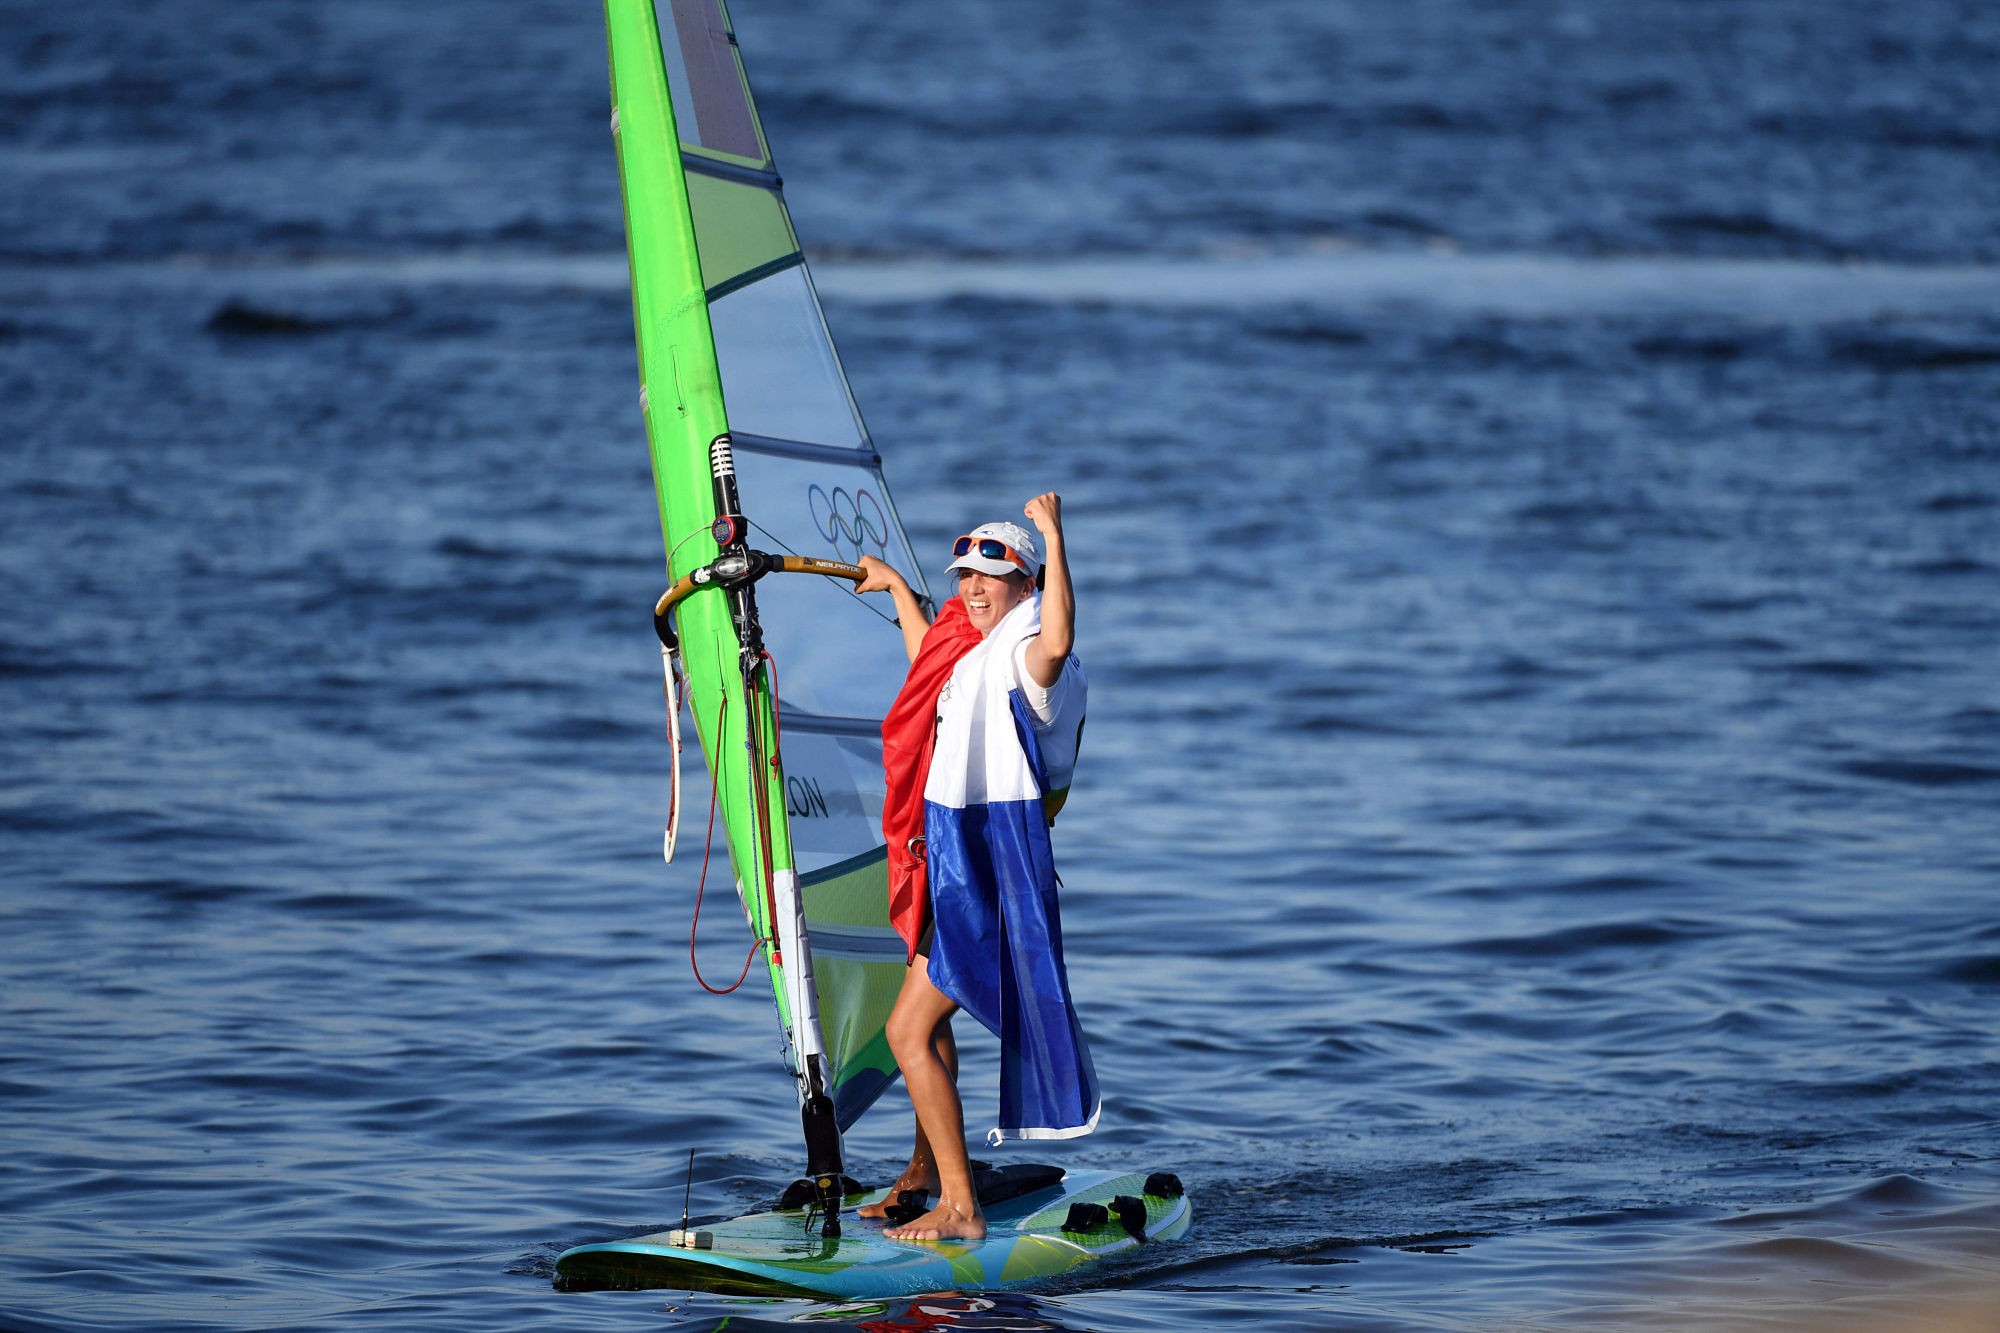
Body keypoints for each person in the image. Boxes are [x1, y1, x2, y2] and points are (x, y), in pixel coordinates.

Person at [851, 492, 1096, 1242]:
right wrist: (898, 589)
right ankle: (929, 1172)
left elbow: (1056, 636)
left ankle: (961, 1207)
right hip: (958, 860)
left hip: (992, 866)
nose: (972, 588)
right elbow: (935, 667)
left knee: (906, 1031)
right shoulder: (977, 650)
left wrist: (1054, 535)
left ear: (1028, 584)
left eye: (992, 577)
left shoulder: (1032, 659)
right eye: (963, 576)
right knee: (920, 1019)